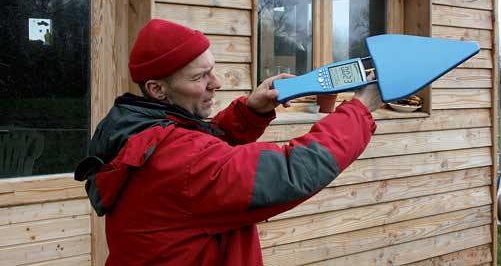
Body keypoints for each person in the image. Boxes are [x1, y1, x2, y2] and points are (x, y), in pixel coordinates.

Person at [74, 19, 382, 265]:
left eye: (212, 70)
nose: (216, 83)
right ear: (157, 89)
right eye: (200, 77)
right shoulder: (181, 162)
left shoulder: (133, 127)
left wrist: (250, 111)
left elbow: (200, 151)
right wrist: (358, 110)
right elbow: (290, 173)